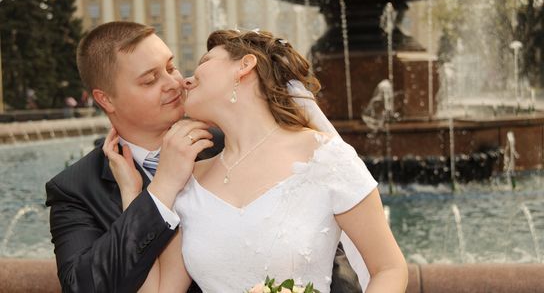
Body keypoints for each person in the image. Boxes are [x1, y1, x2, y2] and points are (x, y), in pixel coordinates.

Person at [45, 21, 362, 293]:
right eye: (150, 80)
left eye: (170, 67)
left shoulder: (243, 144)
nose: (174, 83)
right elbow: (82, 286)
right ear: (106, 99)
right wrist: (157, 191)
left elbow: (326, 257)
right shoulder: (75, 188)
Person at [105, 29, 408, 292]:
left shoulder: (326, 158)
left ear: (245, 66)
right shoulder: (188, 179)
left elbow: (389, 269)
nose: (184, 80)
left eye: (204, 62)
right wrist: (133, 195)